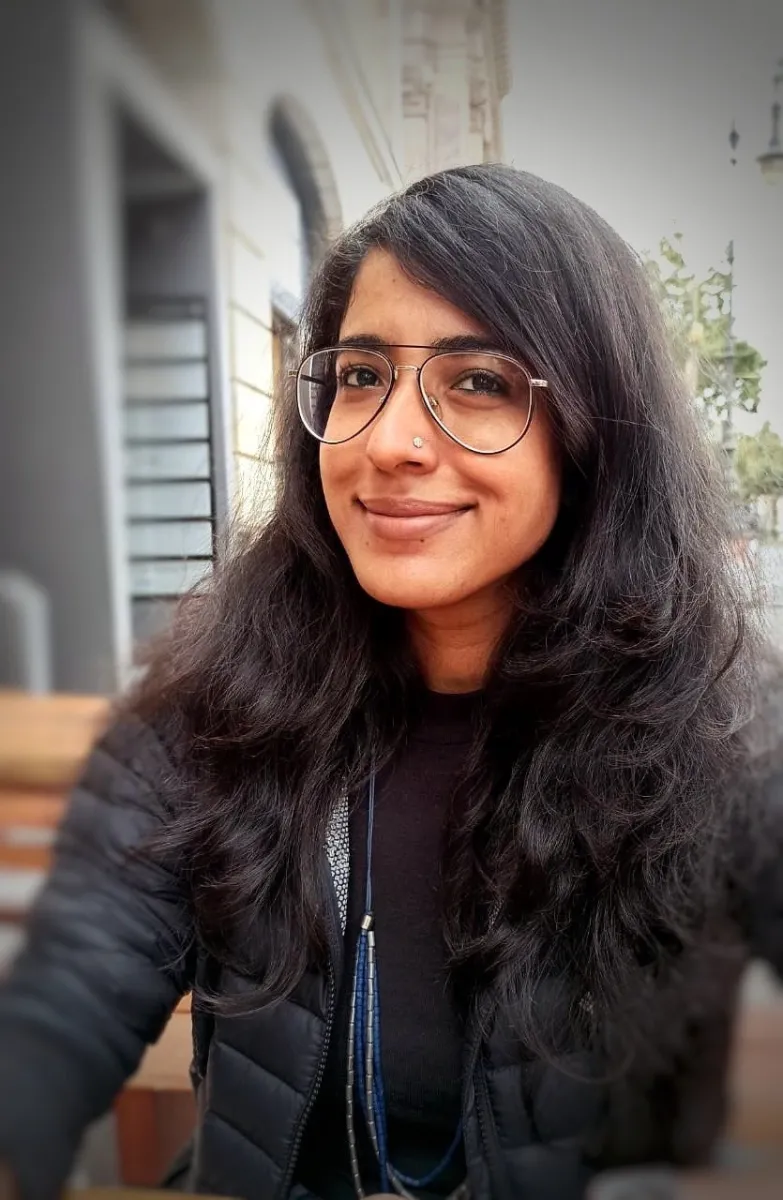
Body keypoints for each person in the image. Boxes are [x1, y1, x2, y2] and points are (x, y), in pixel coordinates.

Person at [0, 164, 781, 1200]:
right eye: (362, 375)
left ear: (595, 425)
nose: (392, 443)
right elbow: (63, 1007)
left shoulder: (726, 733)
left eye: (478, 380)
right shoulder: (213, 711)